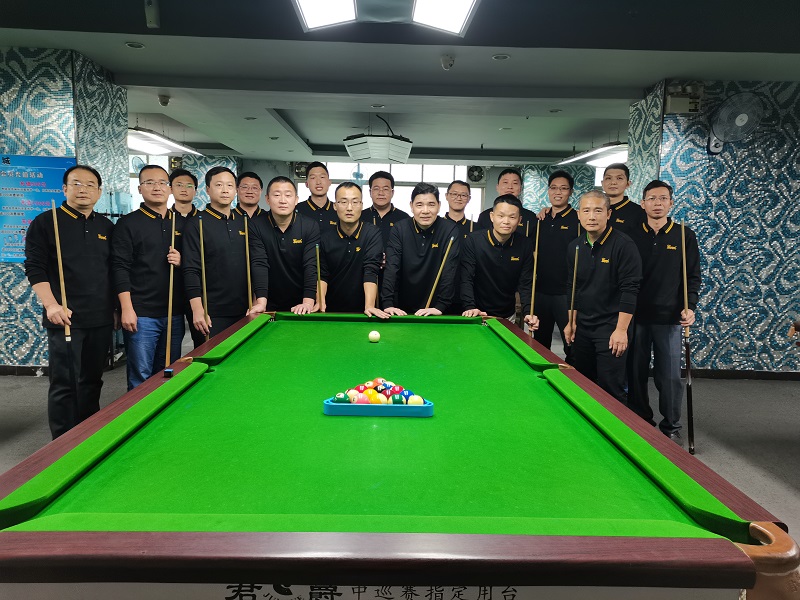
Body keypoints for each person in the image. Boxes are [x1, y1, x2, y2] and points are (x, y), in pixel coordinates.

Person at [25, 165, 115, 438]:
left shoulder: (106, 226)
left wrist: (115, 309)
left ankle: (88, 435)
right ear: (64, 189)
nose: (83, 189)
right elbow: (35, 268)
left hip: (100, 317)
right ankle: (62, 442)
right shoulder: (45, 222)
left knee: (92, 380)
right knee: (65, 383)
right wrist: (51, 305)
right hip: (64, 316)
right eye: (76, 183)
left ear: (99, 191)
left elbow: (113, 270)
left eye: (90, 185)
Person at [628, 180, 701, 446]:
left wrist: (690, 307)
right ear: (642, 203)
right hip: (635, 317)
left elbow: (692, 277)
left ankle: (671, 425)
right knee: (635, 372)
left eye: (662, 198)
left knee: (669, 376)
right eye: (652, 198)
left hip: (669, 318)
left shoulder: (684, 235)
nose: (657, 203)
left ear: (671, 203)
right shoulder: (630, 235)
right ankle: (640, 419)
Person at [565, 190, 642, 404]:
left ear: (608, 214)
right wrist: (571, 322)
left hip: (611, 326)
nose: (592, 216)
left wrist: (621, 330)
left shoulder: (624, 245)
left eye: (598, 211)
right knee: (582, 383)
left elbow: (630, 289)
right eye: (586, 211)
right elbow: (573, 287)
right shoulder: (575, 246)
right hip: (583, 325)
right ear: (578, 214)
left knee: (610, 387)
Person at [113, 165, 183, 390]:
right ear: (139, 188)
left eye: (162, 182)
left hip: (173, 312)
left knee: (168, 372)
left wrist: (181, 261)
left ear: (170, 189)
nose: (157, 187)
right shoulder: (128, 224)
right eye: (149, 182)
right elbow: (120, 267)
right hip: (141, 313)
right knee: (140, 377)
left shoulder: (180, 223)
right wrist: (126, 308)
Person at [183, 167, 264, 345]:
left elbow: (256, 263)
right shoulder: (196, 223)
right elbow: (191, 269)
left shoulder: (244, 222)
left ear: (235, 190)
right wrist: (197, 309)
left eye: (230, 185)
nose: (225, 190)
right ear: (208, 189)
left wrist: (255, 300)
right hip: (211, 312)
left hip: (244, 309)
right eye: (219, 185)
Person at [461, 195, 539, 330]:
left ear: (519, 220)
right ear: (492, 217)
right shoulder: (474, 240)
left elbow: (525, 283)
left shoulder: (525, 244)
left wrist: (527, 312)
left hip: (508, 314)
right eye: (501, 216)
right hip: (478, 312)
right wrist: (470, 306)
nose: (506, 221)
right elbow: (466, 278)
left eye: (512, 217)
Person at [381, 183, 460, 316]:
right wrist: (388, 303)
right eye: (419, 205)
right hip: (402, 307)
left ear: (439, 206)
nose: (425, 211)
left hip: (436, 309)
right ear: (411, 206)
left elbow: (449, 271)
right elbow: (392, 268)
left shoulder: (449, 230)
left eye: (431, 204)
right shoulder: (399, 229)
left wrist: (441, 306)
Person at [249, 176, 320, 314]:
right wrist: (261, 302)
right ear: (267, 199)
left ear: (296, 200)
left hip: (301, 301)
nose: (282, 200)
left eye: (288, 195)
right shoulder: (256, 225)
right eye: (276, 195)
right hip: (268, 300)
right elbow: (259, 263)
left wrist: (308, 302)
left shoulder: (310, 226)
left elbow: (311, 265)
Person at [319, 182, 387, 317]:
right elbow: (322, 275)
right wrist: (320, 302)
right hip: (331, 311)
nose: (349, 208)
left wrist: (369, 306)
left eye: (355, 202)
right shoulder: (325, 238)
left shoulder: (372, 233)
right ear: (335, 206)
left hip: (364, 312)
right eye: (343, 202)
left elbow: (371, 270)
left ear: (361, 205)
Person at [533, 170, 580, 357]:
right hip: (541, 292)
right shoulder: (541, 219)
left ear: (571, 192)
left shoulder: (578, 219)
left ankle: (573, 375)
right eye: (553, 188)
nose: (558, 192)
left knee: (571, 343)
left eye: (563, 188)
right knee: (539, 344)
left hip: (566, 294)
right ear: (548, 190)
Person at [476, 168, 537, 238]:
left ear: (520, 188)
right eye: (505, 182)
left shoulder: (530, 217)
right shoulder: (484, 216)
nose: (510, 187)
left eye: (515, 183)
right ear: (497, 187)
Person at [360, 170, 409, 244]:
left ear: (392, 192)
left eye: (385, 189)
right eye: (376, 189)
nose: (381, 193)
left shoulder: (404, 218)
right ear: (370, 192)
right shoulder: (360, 217)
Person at [601, 163, 645, 237]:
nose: (613, 182)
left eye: (619, 178)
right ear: (602, 183)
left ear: (628, 184)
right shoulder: (592, 209)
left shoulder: (639, 212)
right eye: (608, 178)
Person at [296, 162, 337, 230]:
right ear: (306, 184)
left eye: (322, 177)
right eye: (313, 178)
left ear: (329, 182)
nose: (318, 182)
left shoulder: (338, 210)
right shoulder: (297, 211)